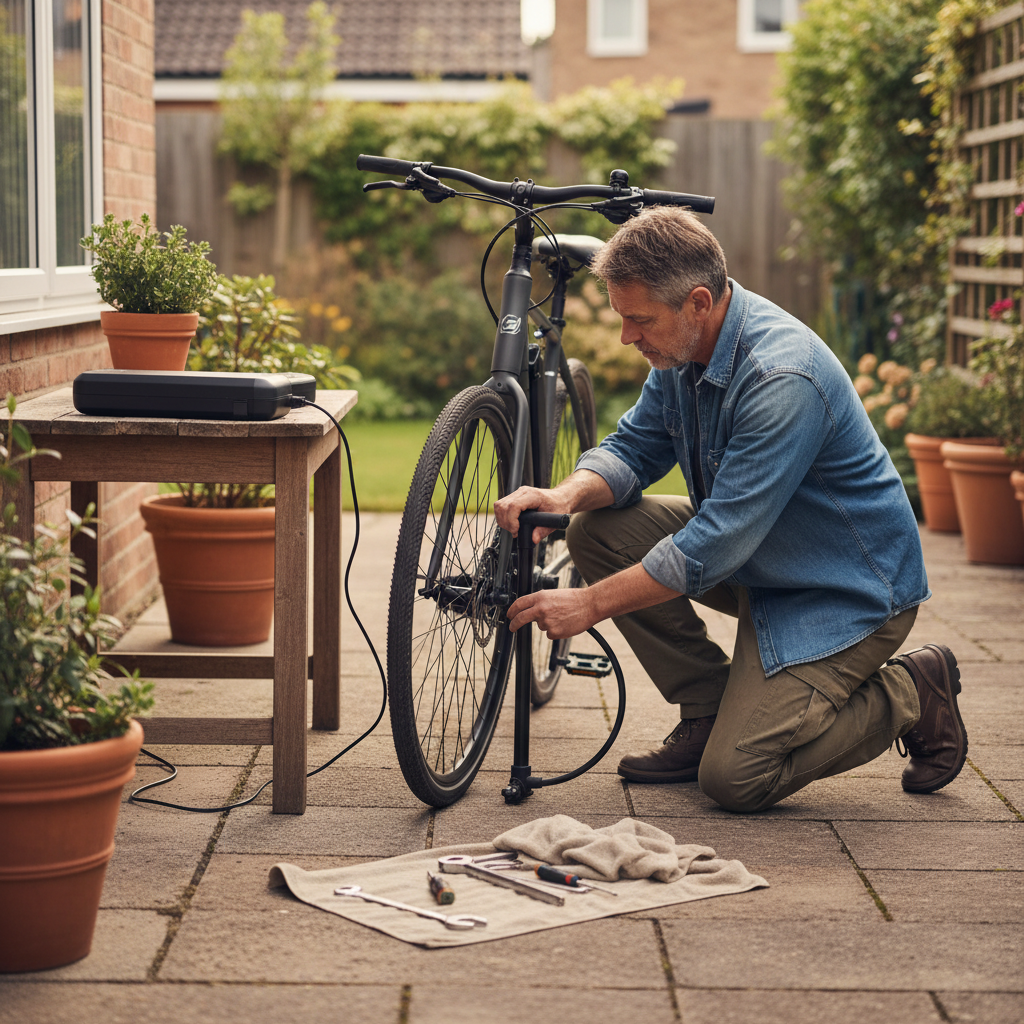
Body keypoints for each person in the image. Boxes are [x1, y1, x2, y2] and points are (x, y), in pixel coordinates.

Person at [494, 207, 968, 813]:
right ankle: (709, 707)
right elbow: (635, 448)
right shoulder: (684, 350)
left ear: (697, 302)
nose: (626, 337)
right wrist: (561, 496)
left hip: (842, 593)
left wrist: (588, 604)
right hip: (761, 562)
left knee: (736, 779)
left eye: (638, 319)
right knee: (596, 530)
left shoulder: (782, 378)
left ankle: (911, 691)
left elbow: (713, 543)